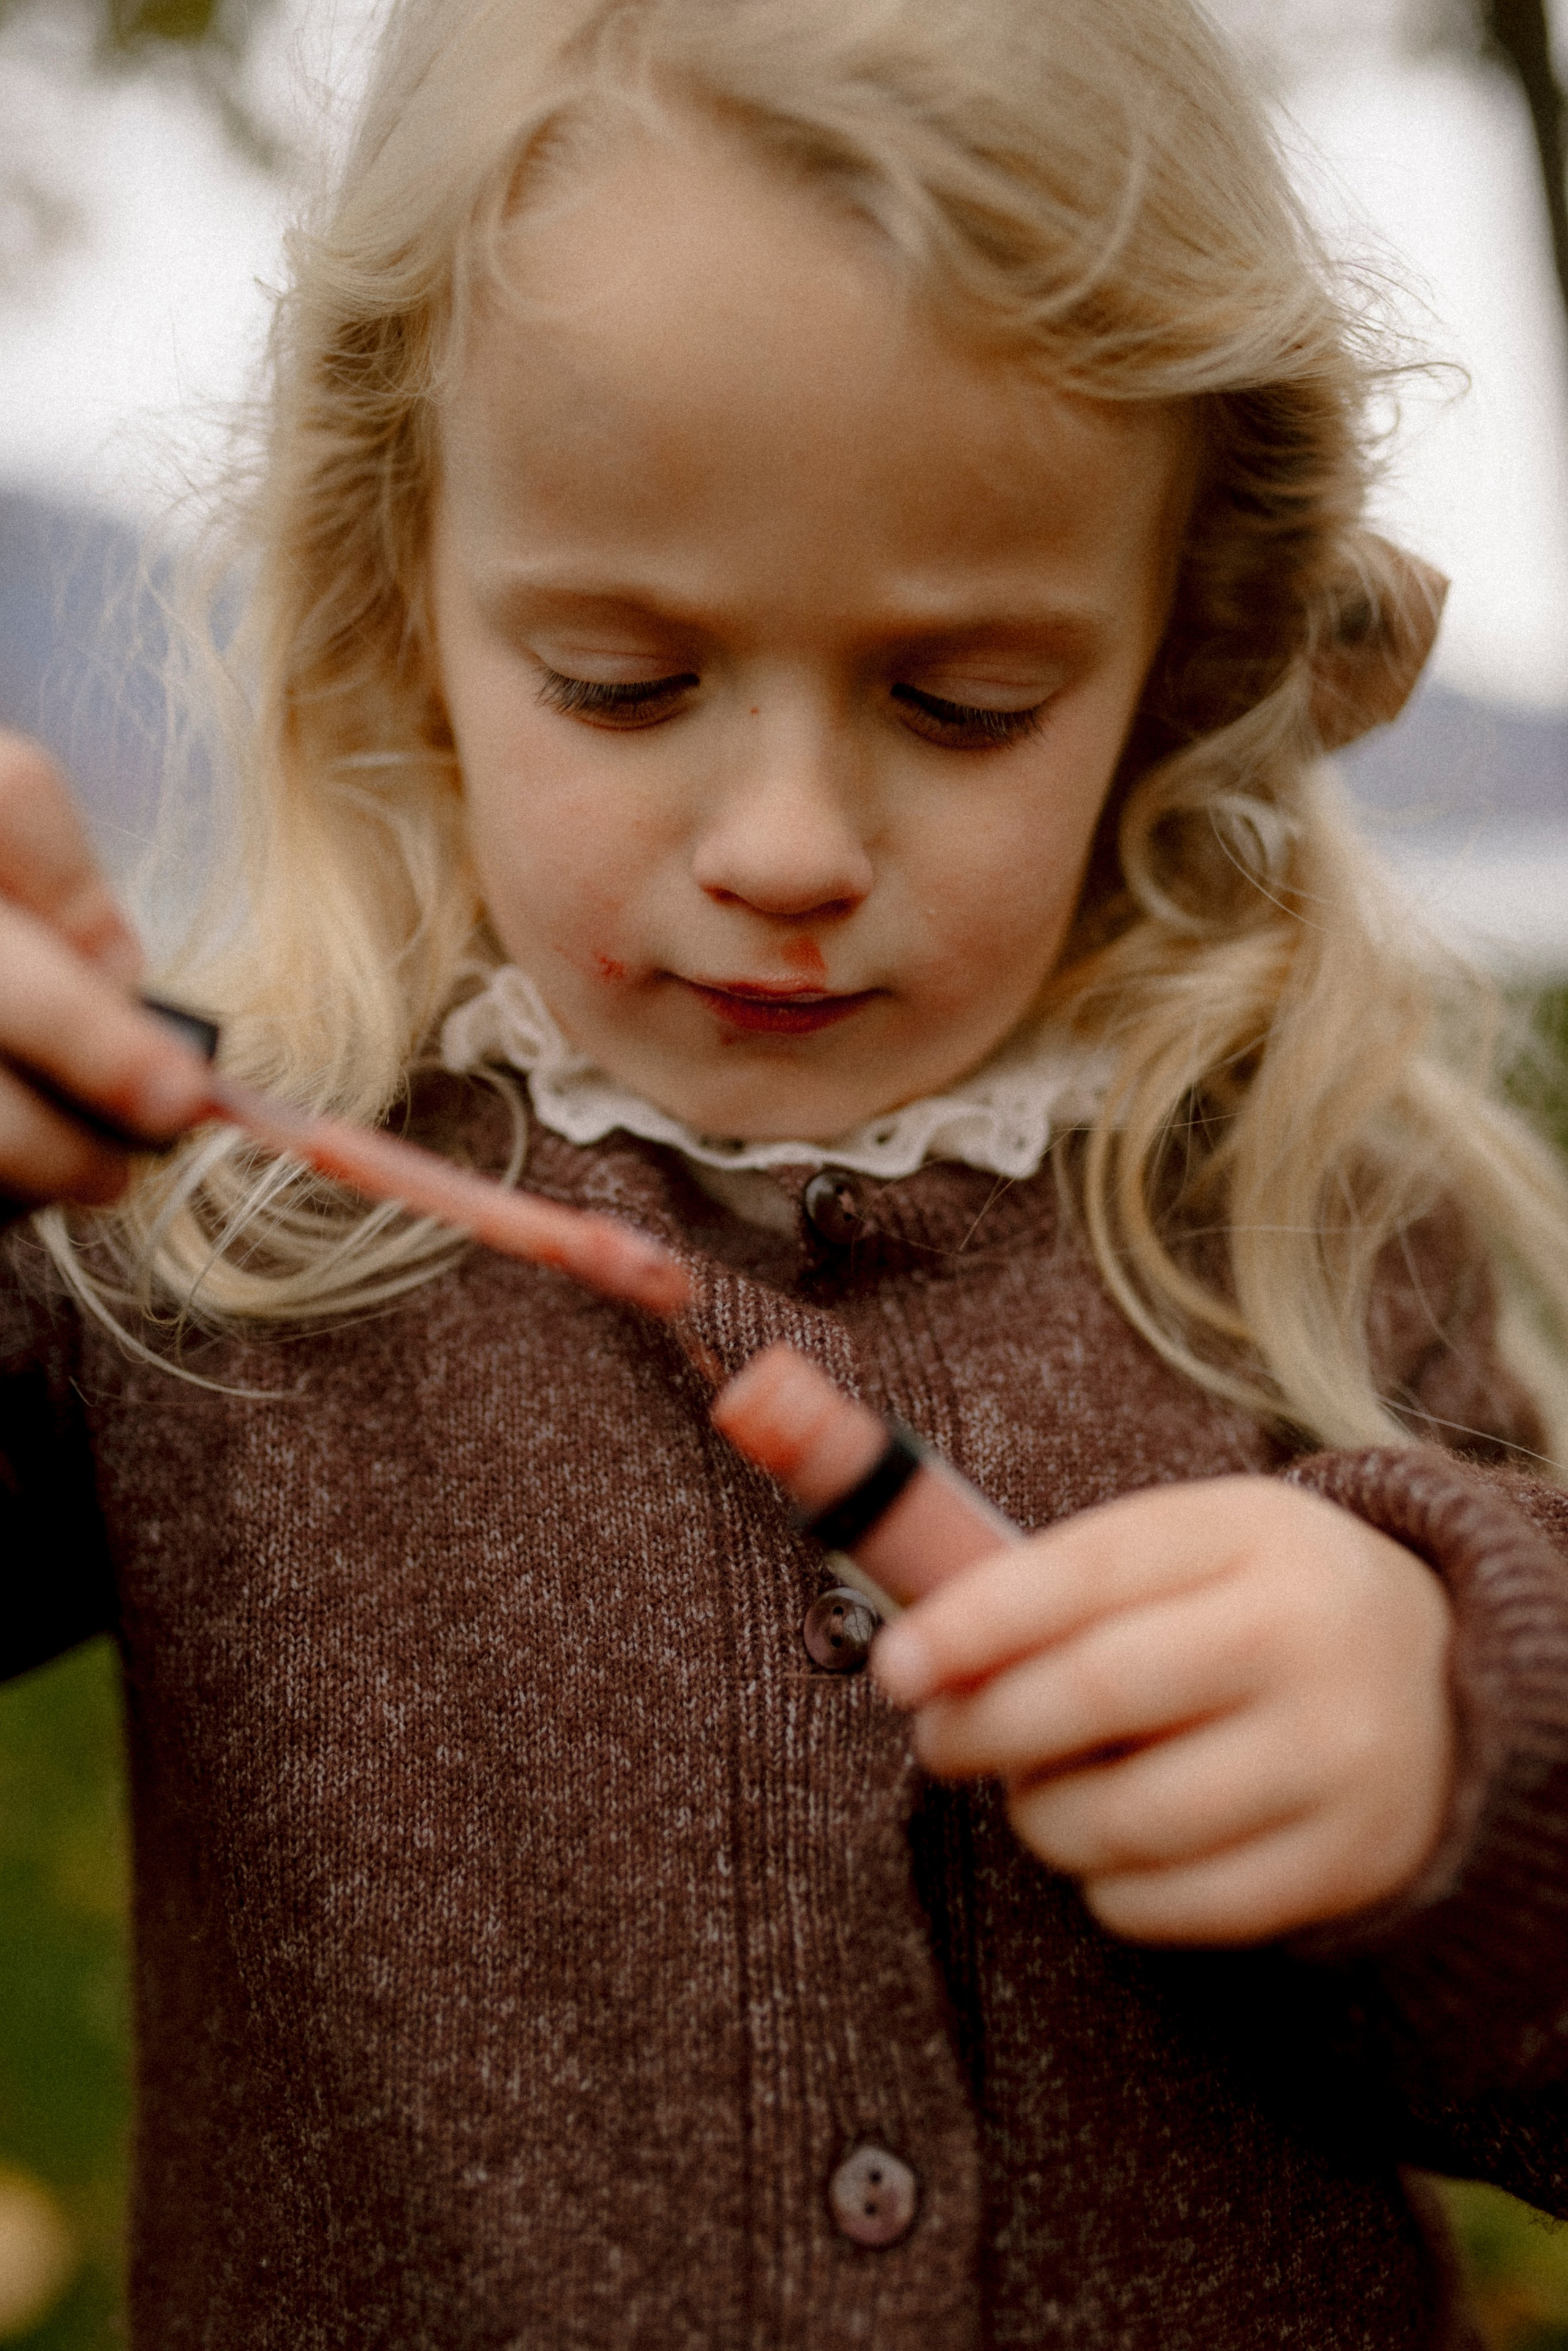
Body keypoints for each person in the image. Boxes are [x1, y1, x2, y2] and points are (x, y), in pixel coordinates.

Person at [2, 0, 1568, 2340]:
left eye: (965, 702)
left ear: (1171, 654)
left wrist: (1469, 1760)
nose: (788, 849)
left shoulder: (1309, 1238)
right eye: (625, 681)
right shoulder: (200, 1246)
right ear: (401, 605)